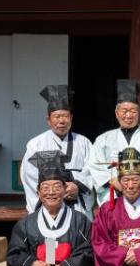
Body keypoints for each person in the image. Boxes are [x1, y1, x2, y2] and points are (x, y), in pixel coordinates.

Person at [21, 84, 94, 219]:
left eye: (65, 116)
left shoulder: (84, 143)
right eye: (57, 116)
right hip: (48, 206)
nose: (61, 121)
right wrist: (52, 190)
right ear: (48, 120)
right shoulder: (35, 144)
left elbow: (92, 168)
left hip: (77, 203)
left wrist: (77, 186)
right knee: (50, 232)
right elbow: (29, 175)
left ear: (71, 118)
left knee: (80, 231)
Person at [89, 79, 140, 206]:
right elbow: (95, 165)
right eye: (124, 111)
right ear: (116, 113)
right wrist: (113, 181)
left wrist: (137, 183)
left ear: (139, 112)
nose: (128, 116)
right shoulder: (103, 139)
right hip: (112, 197)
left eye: (133, 111)